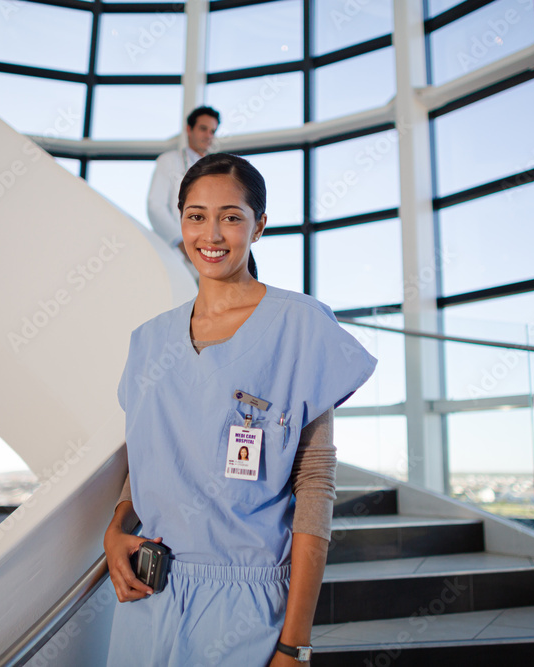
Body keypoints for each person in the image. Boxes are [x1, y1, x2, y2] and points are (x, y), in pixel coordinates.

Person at [104, 153, 377, 666]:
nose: (211, 233)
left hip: (246, 605)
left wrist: (294, 645)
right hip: (147, 591)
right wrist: (117, 528)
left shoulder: (301, 325)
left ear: (259, 227)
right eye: (195, 215)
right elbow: (145, 454)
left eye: (231, 216)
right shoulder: (148, 341)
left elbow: (315, 483)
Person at [147, 106, 220, 262]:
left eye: (212, 131)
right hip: (177, 253)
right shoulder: (169, 161)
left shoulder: (217, 171)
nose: (208, 135)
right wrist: (181, 241)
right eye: (203, 129)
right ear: (189, 129)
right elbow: (155, 206)